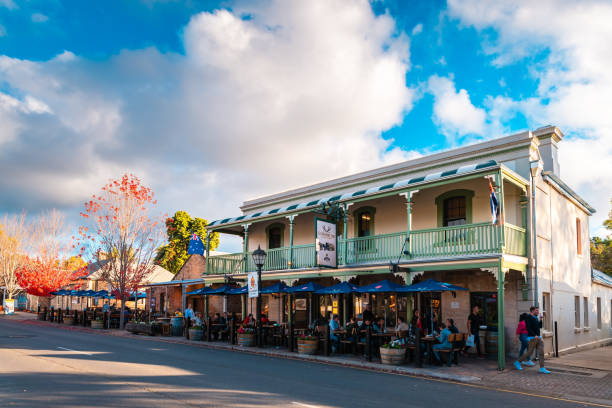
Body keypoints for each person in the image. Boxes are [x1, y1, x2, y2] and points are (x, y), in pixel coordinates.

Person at [515, 306, 550, 374]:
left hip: (538, 338)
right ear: (532, 311)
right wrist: (534, 335)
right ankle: (517, 362)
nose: (538, 312)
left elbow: (539, 327)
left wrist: (540, 320)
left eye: (538, 310)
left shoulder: (535, 317)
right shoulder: (528, 317)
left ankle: (542, 368)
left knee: (541, 353)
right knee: (529, 352)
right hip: (532, 338)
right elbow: (528, 328)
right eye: (536, 310)